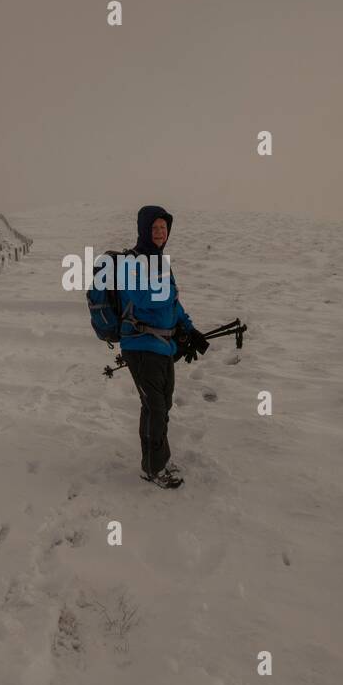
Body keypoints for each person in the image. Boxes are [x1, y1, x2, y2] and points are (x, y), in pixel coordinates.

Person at [117, 205, 209, 489]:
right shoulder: (131, 262)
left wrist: (189, 328)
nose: (159, 233)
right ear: (144, 230)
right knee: (155, 407)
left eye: (163, 228)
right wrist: (170, 290)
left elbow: (172, 303)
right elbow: (144, 298)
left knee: (161, 405)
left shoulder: (159, 262)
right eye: (154, 228)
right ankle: (153, 468)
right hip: (141, 345)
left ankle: (158, 458)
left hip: (162, 346)